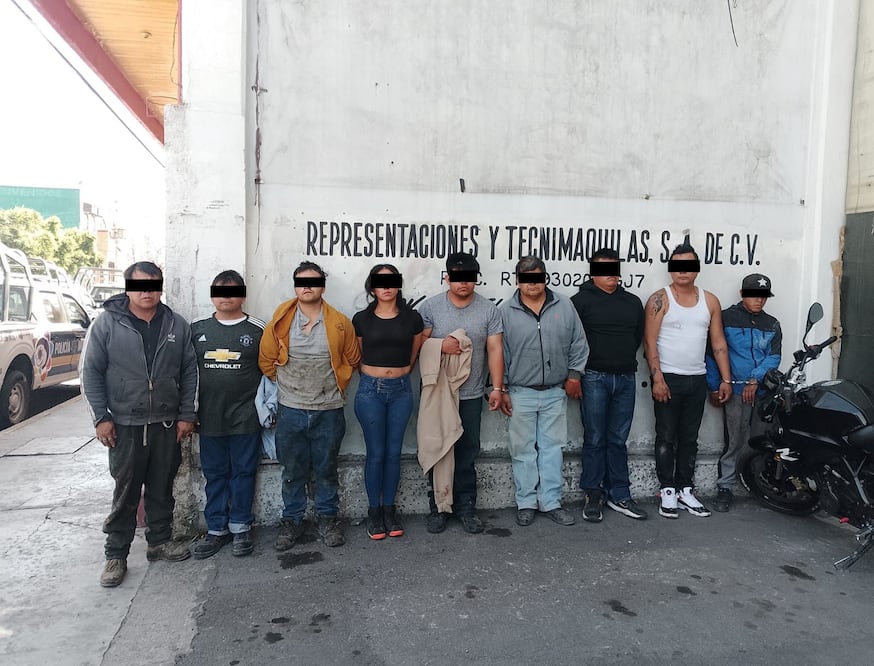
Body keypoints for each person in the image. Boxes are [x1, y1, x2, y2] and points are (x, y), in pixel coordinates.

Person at [80, 261, 198, 588]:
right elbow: (89, 372)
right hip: (124, 423)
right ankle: (116, 553)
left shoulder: (176, 324)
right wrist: (101, 418)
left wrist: (187, 414)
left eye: (153, 285)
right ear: (128, 288)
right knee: (126, 490)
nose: (147, 292)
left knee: (162, 486)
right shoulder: (107, 324)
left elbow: (190, 371)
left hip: (165, 422)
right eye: (139, 286)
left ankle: (159, 542)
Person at [259, 261, 360, 549]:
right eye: (301, 281)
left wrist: (332, 385)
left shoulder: (340, 322)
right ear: (295, 286)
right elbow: (266, 361)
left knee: (326, 468)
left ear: (322, 287)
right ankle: (292, 522)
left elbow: (352, 359)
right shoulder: (280, 321)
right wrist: (289, 385)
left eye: (313, 281)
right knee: (292, 470)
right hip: (290, 409)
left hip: (329, 409)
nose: (307, 286)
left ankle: (328, 520)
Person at [417, 252, 504, 534]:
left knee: (467, 452)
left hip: (471, 393)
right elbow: (420, 346)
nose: (463, 283)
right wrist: (440, 346)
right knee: (439, 449)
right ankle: (438, 508)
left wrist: (498, 388)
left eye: (468, 277)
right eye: (457, 277)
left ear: (476, 280)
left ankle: (466, 508)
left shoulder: (489, 310)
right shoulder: (431, 308)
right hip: (437, 394)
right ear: (447, 278)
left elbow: (494, 349)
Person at [644, 244, 732, 519]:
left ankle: (685, 489)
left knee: (690, 439)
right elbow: (649, 342)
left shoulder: (711, 301)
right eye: (677, 264)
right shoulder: (660, 298)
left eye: (688, 264)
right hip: (668, 378)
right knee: (666, 437)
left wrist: (725, 379)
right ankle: (667, 491)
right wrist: (657, 378)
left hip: (697, 378)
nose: (683, 270)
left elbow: (718, 343)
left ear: (697, 268)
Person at [499, 256, 588, 527]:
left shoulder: (564, 305)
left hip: (554, 392)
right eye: (526, 279)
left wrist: (574, 375)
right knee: (523, 450)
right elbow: (499, 353)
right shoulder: (505, 311)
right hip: (520, 392)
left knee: (552, 449)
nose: (532, 284)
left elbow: (578, 343)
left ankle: (551, 502)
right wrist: (500, 388)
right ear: (517, 281)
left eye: (537, 277)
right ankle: (526, 502)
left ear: (545, 278)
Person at [190, 270, 265, 558]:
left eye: (233, 291)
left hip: (245, 417)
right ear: (212, 295)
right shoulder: (196, 330)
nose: (226, 296)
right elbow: (186, 374)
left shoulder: (258, 329)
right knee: (215, 474)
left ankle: (241, 527)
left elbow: (270, 371)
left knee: (244, 473)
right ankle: (216, 530)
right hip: (209, 419)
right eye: (220, 291)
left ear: (243, 296)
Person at [571, 248, 648, 522]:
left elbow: (637, 337)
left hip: (626, 377)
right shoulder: (579, 302)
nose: (611, 276)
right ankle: (593, 493)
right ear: (593, 273)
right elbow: (572, 341)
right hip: (593, 378)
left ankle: (620, 494)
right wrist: (575, 376)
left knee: (618, 440)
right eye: (604, 271)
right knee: (594, 438)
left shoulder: (632, 302)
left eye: (614, 270)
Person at [353, 264, 424, 539]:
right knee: (376, 453)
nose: (386, 286)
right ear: (372, 286)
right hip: (370, 390)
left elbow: (414, 353)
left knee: (394, 453)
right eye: (380, 281)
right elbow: (357, 355)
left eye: (391, 281)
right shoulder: (361, 319)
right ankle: (374, 513)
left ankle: (389, 511)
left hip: (401, 390)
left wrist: (400, 372)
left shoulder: (412, 319)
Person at [706, 273, 781, 512]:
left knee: (762, 439)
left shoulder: (772, 323)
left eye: (763, 296)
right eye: (753, 295)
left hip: (762, 392)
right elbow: (711, 353)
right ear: (742, 294)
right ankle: (725, 487)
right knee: (734, 441)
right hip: (734, 390)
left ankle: (759, 484)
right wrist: (714, 385)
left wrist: (755, 380)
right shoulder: (726, 318)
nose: (759, 300)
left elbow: (774, 356)